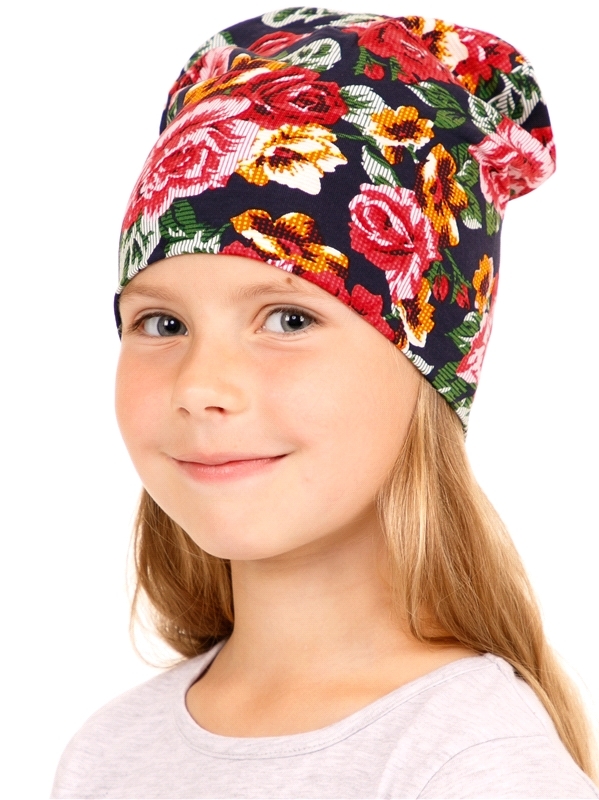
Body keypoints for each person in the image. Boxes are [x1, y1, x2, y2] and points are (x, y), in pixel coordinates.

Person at [51, 7, 599, 799]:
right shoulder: (110, 752)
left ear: (427, 367)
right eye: (162, 324)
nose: (200, 386)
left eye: (288, 319)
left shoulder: (468, 761)